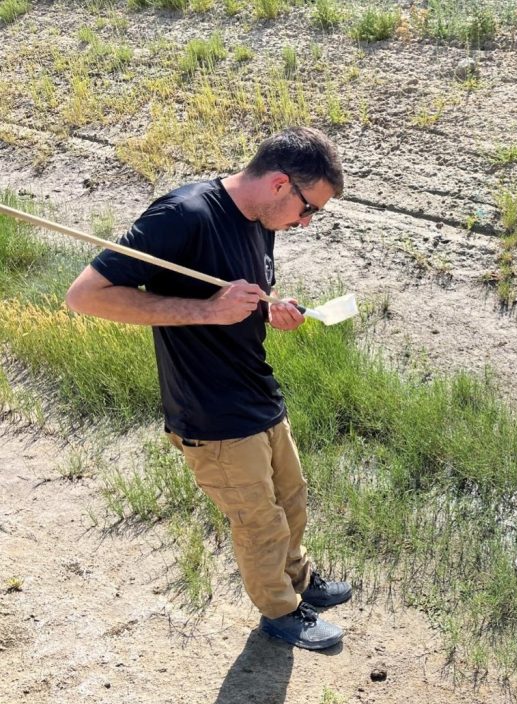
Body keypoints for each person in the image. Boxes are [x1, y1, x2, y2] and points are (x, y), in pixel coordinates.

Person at [66, 127, 351, 651]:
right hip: (210, 412)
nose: (306, 223)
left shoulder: (262, 219)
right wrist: (208, 311)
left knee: (291, 499)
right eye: (309, 209)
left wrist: (270, 308)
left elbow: (242, 295)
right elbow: (85, 296)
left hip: (257, 391)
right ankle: (281, 612)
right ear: (280, 184)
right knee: (259, 521)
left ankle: (300, 579)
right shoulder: (183, 215)